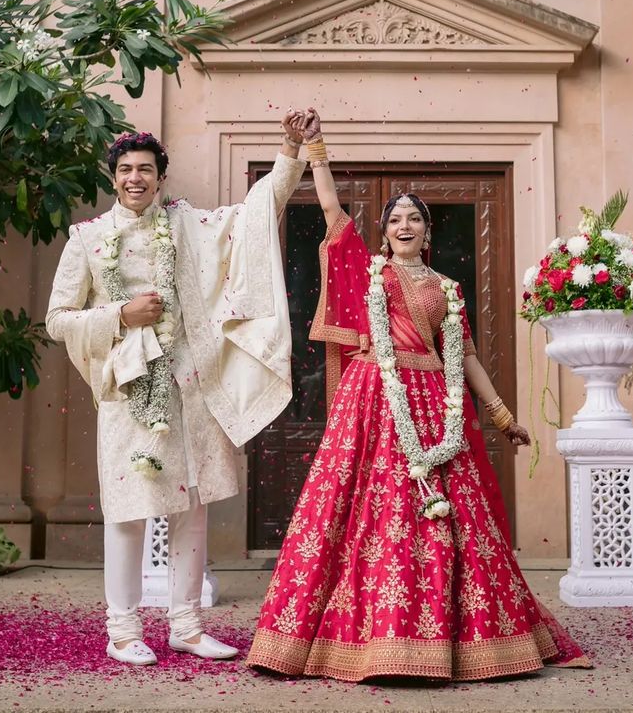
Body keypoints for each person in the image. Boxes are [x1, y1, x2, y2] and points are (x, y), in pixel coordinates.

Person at [247, 109, 591, 682]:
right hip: (375, 400)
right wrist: (315, 147)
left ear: (428, 233)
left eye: (415, 219)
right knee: (366, 512)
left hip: (435, 402)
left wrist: (502, 414)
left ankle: (460, 641)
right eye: (396, 219)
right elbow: (332, 213)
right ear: (383, 231)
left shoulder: (447, 289)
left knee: (450, 518)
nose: (405, 225)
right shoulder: (369, 273)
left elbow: (469, 358)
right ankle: (367, 642)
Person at [46, 114, 308, 665]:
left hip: (192, 389)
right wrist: (122, 313)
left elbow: (257, 215)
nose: (134, 178)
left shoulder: (190, 225)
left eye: (145, 169)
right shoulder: (88, 240)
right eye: (125, 169)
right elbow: (59, 319)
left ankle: (186, 626)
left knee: (192, 508)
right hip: (130, 389)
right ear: (112, 177)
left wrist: (289, 149)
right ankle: (123, 631)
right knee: (129, 510)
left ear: (160, 178)